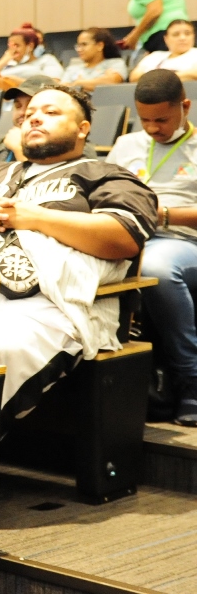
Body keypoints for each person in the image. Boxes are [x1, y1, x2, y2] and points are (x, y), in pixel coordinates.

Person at [0, 85, 157, 420]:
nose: (33, 118)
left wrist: (33, 217)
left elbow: (122, 237)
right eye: (30, 114)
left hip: (39, 303)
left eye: (50, 113)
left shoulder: (106, 175)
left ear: (83, 129)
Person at [106, 71, 197, 424]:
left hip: (179, 240)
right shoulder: (126, 145)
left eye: (162, 119)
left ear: (184, 107)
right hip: (129, 234)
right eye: (145, 120)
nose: (153, 128)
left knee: (155, 268)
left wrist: (164, 215)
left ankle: (190, 379)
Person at [0, 26, 65, 90]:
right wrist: (3, 61)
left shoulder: (47, 59)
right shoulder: (8, 66)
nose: (13, 50)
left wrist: (14, 80)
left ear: (30, 46)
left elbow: (54, 84)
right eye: (11, 46)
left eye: (17, 45)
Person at [130, 19, 197, 82]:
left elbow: (194, 74)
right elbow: (134, 77)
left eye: (187, 34)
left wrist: (153, 79)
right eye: (176, 34)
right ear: (166, 39)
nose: (182, 38)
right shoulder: (155, 56)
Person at [61, 28, 128, 90]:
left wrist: (78, 84)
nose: (79, 49)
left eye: (84, 44)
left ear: (100, 46)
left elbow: (112, 81)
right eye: (78, 46)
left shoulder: (115, 63)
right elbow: (63, 88)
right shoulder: (72, 69)